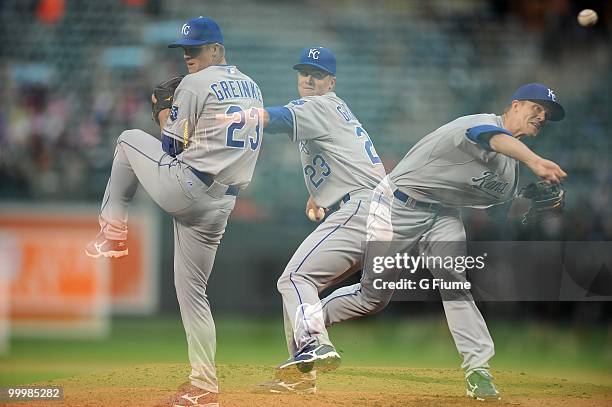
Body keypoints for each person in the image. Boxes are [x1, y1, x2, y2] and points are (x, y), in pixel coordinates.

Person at [320, 83, 567, 401]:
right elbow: (490, 140)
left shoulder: (511, 173)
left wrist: (525, 204)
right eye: (537, 108)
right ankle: (310, 323)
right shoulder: (479, 123)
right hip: (398, 204)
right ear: (516, 105)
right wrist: (534, 161)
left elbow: (502, 208)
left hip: (443, 214)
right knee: (372, 297)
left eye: (546, 114)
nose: (542, 116)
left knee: (455, 283)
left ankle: (478, 370)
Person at [85, 16, 264, 407]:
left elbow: (169, 146)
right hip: (221, 203)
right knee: (193, 295)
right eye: (184, 50)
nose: (188, 55)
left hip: (189, 187)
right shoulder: (252, 85)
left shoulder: (197, 83)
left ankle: (112, 230)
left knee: (129, 140)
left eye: (196, 49)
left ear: (217, 50)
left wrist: (161, 110)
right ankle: (204, 386)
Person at [256, 47, 386, 393]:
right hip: (384, 213)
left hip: (362, 208)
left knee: (295, 279)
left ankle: (313, 343)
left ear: (331, 82)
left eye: (317, 74)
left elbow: (277, 118)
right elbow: (348, 155)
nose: (308, 79)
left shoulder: (320, 104)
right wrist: (320, 194)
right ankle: (300, 378)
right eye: (303, 72)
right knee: (366, 296)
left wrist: (242, 117)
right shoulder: (337, 109)